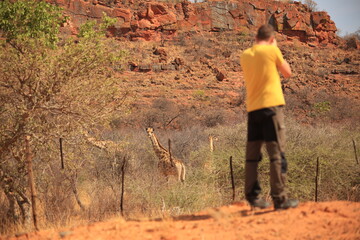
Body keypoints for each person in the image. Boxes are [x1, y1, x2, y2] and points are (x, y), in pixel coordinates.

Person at [240, 24, 299, 210]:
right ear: (272, 38)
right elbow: (288, 73)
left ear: (256, 37)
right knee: (276, 154)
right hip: (272, 108)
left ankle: (252, 197)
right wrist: (274, 48)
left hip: (253, 109)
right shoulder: (272, 51)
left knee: (252, 156)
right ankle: (280, 199)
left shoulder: (245, 55)